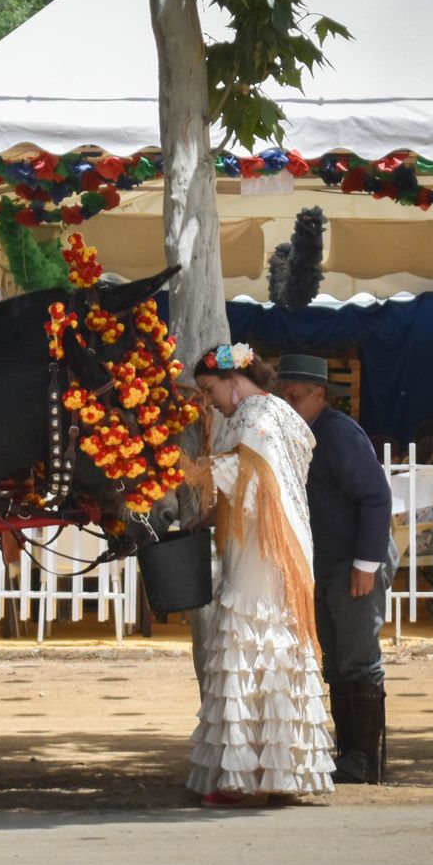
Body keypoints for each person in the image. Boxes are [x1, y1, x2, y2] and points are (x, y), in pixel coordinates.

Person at [185, 343, 332, 807]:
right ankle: (276, 773)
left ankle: (241, 778)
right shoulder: (275, 412)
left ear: (232, 378)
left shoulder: (255, 414)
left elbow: (252, 473)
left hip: (263, 549)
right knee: (274, 646)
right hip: (276, 543)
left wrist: (191, 470)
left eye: (210, 389)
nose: (211, 401)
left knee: (248, 640)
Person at [275, 353, 396, 785]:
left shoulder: (338, 433)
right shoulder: (303, 433)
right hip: (326, 561)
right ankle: (350, 754)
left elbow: (376, 498)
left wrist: (366, 563)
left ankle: (365, 758)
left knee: (359, 657)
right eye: (283, 395)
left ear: (319, 395)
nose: (288, 403)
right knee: (337, 662)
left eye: (295, 396)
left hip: (352, 560)